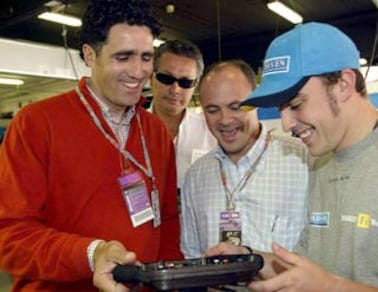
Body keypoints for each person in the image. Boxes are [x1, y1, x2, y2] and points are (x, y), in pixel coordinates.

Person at [205, 22, 378, 291]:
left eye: (296, 105)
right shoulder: (320, 162)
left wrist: (331, 287)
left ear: (343, 84)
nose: (287, 123)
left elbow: (323, 283)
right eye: (281, 108)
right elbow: (307, 269)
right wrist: (251, 261)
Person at [0, 0, 183, 291]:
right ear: (89, 54)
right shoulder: (36, 123)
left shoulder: (156, 130)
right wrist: (91, 254)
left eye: (146, 57)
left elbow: (169, 219)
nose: (138, 72)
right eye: (123, 57)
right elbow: (10, 235)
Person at [180, 60, 309, 260]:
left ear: (256, 102)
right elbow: (192, 253)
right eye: (212, 110)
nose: (225, 120)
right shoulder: (196, 177)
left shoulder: (303, 162)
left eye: (236, 107)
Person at [149, 39, 216, 190]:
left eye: (185, 82)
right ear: (150, 77)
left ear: (196, 84)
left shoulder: (212, 131)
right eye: (166, 79)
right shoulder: (128, 131)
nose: (175, 89)